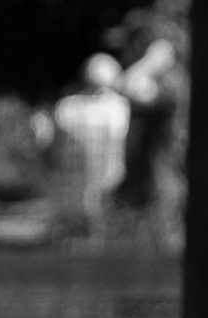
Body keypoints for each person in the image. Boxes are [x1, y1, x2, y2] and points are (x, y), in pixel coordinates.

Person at [117, 36, 188, 249]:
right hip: (159, 175)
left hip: (164, 178)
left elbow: (124, 85)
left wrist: (148, 63)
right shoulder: (171, 82)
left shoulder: (172, 84)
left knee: (164, 243)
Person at [50, 53, 130, 242]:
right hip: (108, 183)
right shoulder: (118, 107)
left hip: (72, 186)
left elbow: (55, 150)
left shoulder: (66, 108)